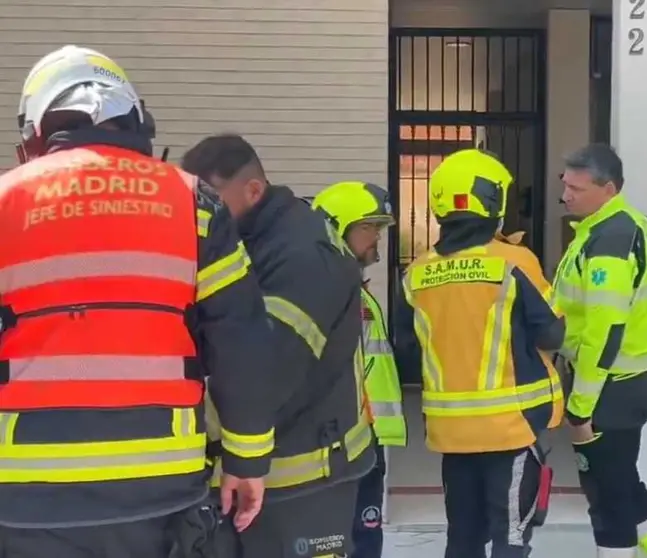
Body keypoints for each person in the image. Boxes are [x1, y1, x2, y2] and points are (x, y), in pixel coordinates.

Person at [0, 46, 276, 557]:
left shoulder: (5, 202)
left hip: (26, 493)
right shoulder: (194, 203)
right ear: (135, 119)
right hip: (161, 488)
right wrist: (247, 460)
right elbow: (242, 341)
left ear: (36, 131)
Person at [180, 134, 376, 558]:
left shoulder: (302, 255)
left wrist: (181, 422)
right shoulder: (249, 239)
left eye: (214, 200)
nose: (203, 214)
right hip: (258, 473)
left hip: (304, 481)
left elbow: (266, 373)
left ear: (254, 190)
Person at [402, 148, 564, 558]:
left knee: (463, 539)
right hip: (509, 428)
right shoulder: (513, 261)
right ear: (493, 201)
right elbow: (552, 333)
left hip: (450, 433)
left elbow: (409, 343)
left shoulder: (416, 272)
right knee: (510, 537)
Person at [554, 143, 647, 558]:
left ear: (608, 189)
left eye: (577, 187)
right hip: (630, 380)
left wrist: (581, 406)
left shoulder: (611, 237)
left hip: (612, 385)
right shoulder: (616, 226)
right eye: (565, 184)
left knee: (605, 495)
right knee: (622, 479)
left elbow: (605, 329)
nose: (566, 195)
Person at [310, 181, 408, 558]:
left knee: (364, 538)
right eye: (370, 228)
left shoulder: (354, 289)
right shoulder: (325, 291)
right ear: (339, 226)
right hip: (339, 444)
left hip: (364, 439)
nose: (377, 239)